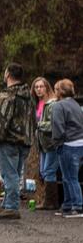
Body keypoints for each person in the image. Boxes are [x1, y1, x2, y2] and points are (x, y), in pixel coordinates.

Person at [0, 63, 35, 219]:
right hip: (25, 141)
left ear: (7, 74)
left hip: (8, 141)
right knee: (15, 174)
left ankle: (11, 206)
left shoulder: (7, 95)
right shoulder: (28, 95)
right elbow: (33, 119)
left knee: (10, 176)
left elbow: (0, 121)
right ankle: (7, 204)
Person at [50, 79, 83, 218]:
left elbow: (58, 127)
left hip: (67, 144)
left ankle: (77, 206)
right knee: (68, 176)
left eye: (56, 89)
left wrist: (56, 142)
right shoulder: (76, 104)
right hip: (80, 143)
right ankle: (68, 204)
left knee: (70, 177)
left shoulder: (59, 106)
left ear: (60, 91)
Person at [32, 77, 61, 211]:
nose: (38, 89)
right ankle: (47, 199)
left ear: (47, 87)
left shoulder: (52, 104)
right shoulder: (37, 104)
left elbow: (54, 125)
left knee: (49, 171)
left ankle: (51, 202)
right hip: (42, 144)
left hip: (52, 143)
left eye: (41, 86)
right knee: (44, 172)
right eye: (36, 87)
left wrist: (38, 125)